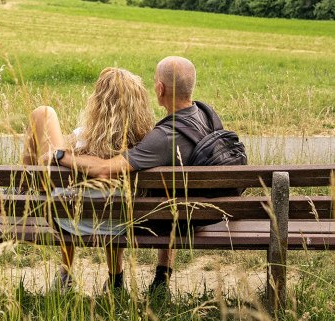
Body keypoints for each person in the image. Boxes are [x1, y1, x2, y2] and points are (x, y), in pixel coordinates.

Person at [42, 55, 223, 295]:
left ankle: (97, 276)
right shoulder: (206, 115)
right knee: (168, 197)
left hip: (132, 220)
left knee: (152, 199)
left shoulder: (159, 139)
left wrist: (59, 155)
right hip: (202, 211)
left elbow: (105, 169)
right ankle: (161, 278)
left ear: (160, 89)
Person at [23, 66, 155, 292]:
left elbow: (52, 157)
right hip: (121, 225)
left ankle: (66, 272)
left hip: (68, 221)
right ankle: (115, 277)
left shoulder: (81, 138)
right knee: (112, 203)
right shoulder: (147, 144)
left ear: (97, 101)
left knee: (44, 114)